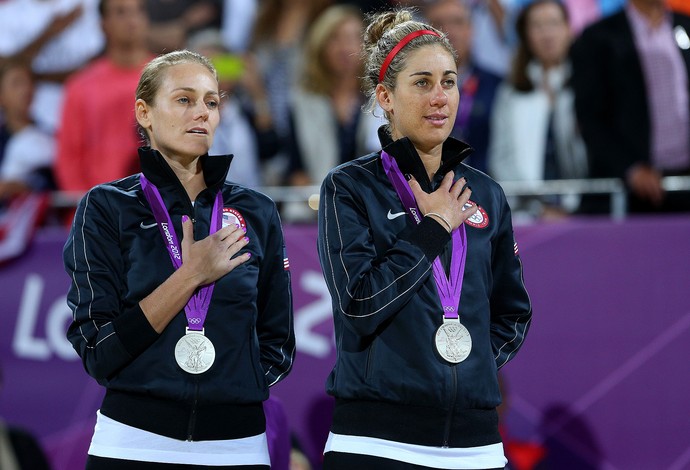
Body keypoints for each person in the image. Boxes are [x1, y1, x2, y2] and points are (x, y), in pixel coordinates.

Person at [317, 8, 532, 470]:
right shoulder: (349, 186)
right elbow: (359, 303)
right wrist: (433, 229)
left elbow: (512, 313)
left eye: (449, 82)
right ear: (385, 96)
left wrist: (464, 368)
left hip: (475, 447)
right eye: (422, 83)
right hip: (377, 443)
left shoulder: (487, 194)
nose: (440, 97)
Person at [64, 49, 295, 469]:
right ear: (144, 112)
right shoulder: (106, 207)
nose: (202, 113)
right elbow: (99, 351)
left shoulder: (257, 211)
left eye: (211, 102)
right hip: (132, 444)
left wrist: (237, 390)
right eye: (184, 100)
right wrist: (190, 275)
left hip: (237, 448)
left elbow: (277, 341)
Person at [571, 0, 690, 213]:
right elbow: (589, 118)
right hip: (631, 191)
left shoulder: (685, 26)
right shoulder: (598, 37)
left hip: (685, 182)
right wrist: (631, 168)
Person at [488, 0, 587, 219]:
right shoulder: (511, 91)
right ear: (525, 36)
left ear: (569, 29)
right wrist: (538, 208)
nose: (547, 34)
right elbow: (500, 158)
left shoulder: (587, 85)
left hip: (583, 208)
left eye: (553, 23)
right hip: (525, 214)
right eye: (537, 26)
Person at [284, 4, 385, 220]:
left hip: (372, 206)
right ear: (320, 46)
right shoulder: (302, 102)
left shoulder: (382, 98)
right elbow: (296, 170)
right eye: (335, 38)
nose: (344, 47)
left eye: (353, 38)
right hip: (316, 207)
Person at [55, 0, 153, 194]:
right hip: (99, 208)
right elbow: (69, 156)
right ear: (103, 24)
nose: (132, 20)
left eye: (138, 11)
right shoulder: (80, 86)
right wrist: (88, 209)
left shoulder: (169, 79)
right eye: (120, 12)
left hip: (159, 210)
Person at [423, 0, 503, 175]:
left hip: (485, 186)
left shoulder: (498, 85)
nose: (448, 31)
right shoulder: (414, 86)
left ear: (471, 30)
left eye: (457, 22)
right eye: (438, 24)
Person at [0, 60, 55, 202]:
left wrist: (26, 186)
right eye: (16, 83)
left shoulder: (51, 137)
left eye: (30, 82)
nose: (26, 90)